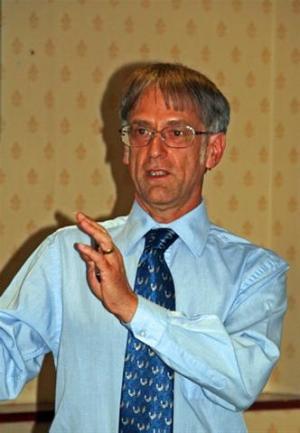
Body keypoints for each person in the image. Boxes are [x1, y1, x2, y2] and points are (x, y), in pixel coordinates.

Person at [0, 63, 288, 433]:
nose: (154, 150)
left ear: (213, 150)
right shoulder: (67, 253)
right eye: (141, 131)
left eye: (176, 132)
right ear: (125, 149)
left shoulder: (254, 271)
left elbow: (241, 381)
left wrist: (132, 308)